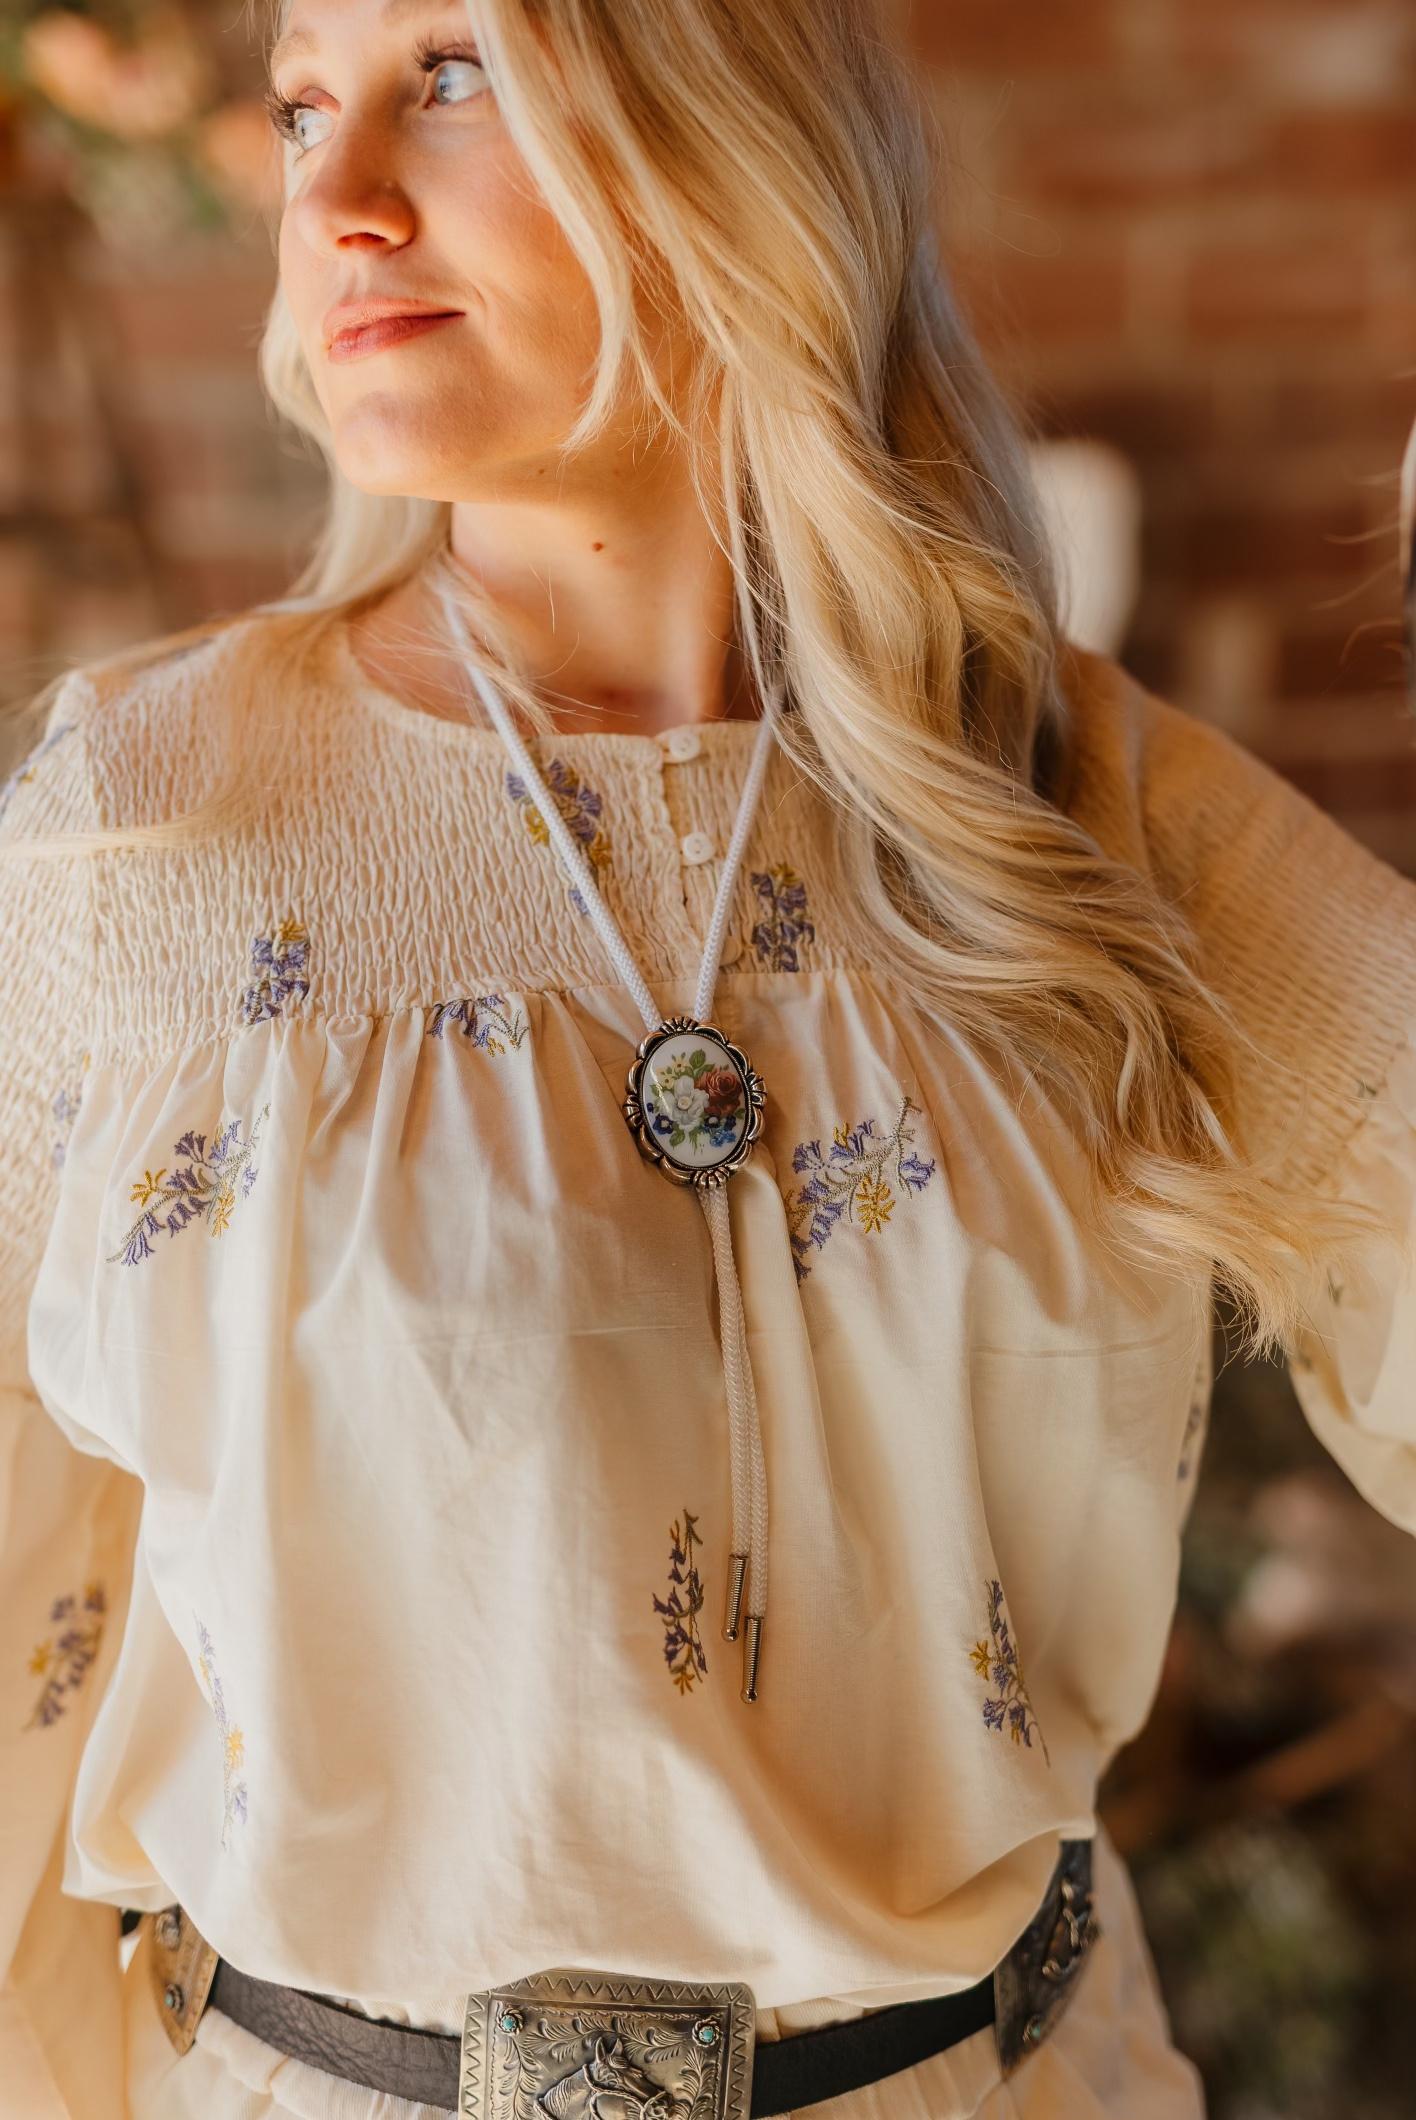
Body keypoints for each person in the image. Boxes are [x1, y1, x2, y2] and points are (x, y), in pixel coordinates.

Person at [2, 1, 1414, 2115]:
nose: (335, 197)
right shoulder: (145, 833)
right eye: (302, 106)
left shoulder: (1073, 806)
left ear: (735, 137)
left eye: (452, 74)